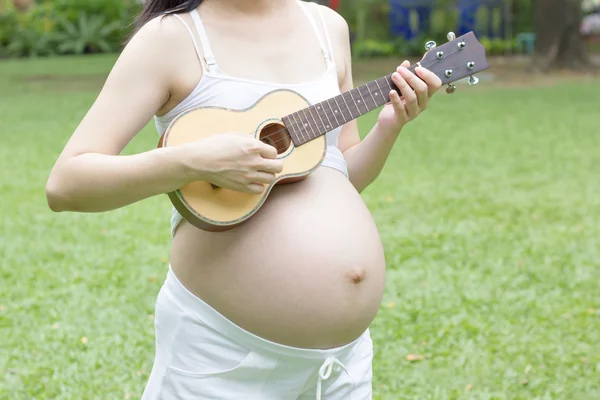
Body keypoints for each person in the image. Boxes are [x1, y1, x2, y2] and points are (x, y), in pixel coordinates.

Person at [45, 0, 442, 398]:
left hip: (340, 368)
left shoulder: (328, 28)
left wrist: (390, 126)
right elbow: (67, 183)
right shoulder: (170, 38)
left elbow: (343, 172)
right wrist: (193, 162)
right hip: (221, 361)